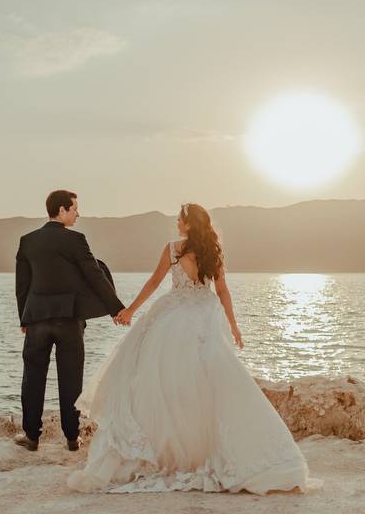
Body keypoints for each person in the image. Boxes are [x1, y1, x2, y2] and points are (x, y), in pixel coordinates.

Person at [67, 202, 319, 494]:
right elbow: (222, 291)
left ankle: (167, 452)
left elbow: (154, 282)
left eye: (179, 219)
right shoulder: (214, 250)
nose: (176, 223)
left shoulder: (173, 248)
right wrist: (234, 326)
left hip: (173, 315)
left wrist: (131, 310)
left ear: (188, 224)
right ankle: (202, 450)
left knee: (160, 380)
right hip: (204, 315)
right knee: (209, 381)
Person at [13, 189, 127, 452]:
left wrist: (24, 317)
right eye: (75, 208)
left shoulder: (27, 241)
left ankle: (31, 437)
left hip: (37, 320)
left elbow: (22, 285)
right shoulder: (75, 240)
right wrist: (116, 309)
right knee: (70, 378)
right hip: (69, 320)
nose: (78, 213)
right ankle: (72, 438)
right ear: (61, 210)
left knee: (32, 377)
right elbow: (94, 274)